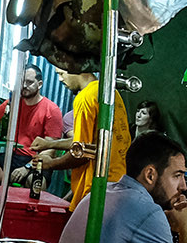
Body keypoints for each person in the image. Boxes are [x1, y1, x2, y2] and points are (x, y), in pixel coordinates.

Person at [56, 131, 187, 243]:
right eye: (177, 175)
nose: (183, 186)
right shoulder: (149, 212)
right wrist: (185, 227)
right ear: (150, 175)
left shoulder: (103, 190)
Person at [43, 70, 130, 206]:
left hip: (95, 188)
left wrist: (50, 164)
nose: (60, 79)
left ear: (74, 67)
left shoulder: (85, 97)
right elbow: (91, 142)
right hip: (118, 183)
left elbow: (82, 152)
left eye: (61, 73)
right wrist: (49, 144)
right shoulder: (112, 93)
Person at [0, 65, 65, 169]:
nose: (24, 85)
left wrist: (28, 166)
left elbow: (50, 148)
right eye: (21, 81)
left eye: (29, 82)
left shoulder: (51, 109)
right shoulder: (12, 103)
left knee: (35, 182)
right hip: (11, 156)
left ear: (40, 84)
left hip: (36, 159)